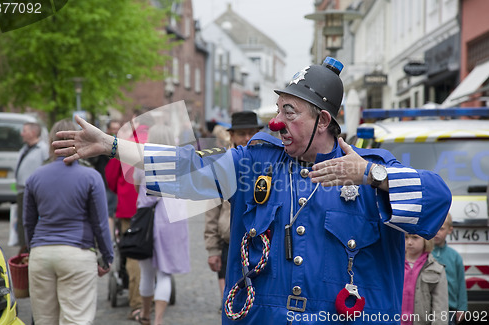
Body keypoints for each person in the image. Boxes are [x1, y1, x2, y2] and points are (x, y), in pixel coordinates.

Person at [52, 57, 452, 325]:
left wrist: (371, 175)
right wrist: (113, 145)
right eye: (277, 109)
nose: (276, 122)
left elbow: (437, 200)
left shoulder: (371, 168)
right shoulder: (256, 162)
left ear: (324, 120)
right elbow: (191, 168)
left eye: (289, 113)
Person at [23, 119, 113, 325]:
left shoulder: (35, 177)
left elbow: (28, 223)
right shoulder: (91, 177)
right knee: (76, 319)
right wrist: (107, 257)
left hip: (41, 254)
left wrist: (32, 250)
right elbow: (100, 222)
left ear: (50, 141)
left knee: (44, 320)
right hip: (77, 253)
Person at [134, 125, 190, 325]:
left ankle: (146, 314)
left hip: (148, 219)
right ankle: (158, 320)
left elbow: (136, 184)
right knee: (164, 273)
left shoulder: (144, 161)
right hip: (173, 218)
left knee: (147, 272)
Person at [204, 111, 262, 303]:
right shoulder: (224, 165)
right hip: (230, 240)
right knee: (231, 299)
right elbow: (212, 209)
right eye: (242, 134)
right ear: (233, 136)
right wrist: (213, 249)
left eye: (251, 133)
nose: (247, 138)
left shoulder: (267, 164)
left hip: (260, 243)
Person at [105, 112, 148, 320]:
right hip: (157, 208)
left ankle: (138, 303)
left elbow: (111, 179)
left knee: (133, 254)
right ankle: (156, 296)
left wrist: (122, 190)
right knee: (154, 250)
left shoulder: (124, 144)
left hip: (130, 209)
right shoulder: (160, 142)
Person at [16, 121, 48, 254]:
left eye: (24, 131)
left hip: (35, 191)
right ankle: (24, 248)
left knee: (31, 220)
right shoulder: (25, 148)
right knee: (22, 221)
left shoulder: (43, 149)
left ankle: (32, 248)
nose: (21, 133)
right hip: (22, 190)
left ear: (33, 133)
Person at [402, 234, 448, 325]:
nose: (409, 242)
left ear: (426, 239)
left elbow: (440, 307)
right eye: (406, 237)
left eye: (415, 237)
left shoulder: (437, 269)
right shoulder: (393, 266)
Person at [432, 213, 467, 325]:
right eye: (434, 228)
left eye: (441, 229)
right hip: (428, 307)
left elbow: (461, 283)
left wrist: (462, 307)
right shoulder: (424, 253)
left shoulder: (454, 256)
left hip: (450, 309)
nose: (437, 232)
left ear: (449, 230)